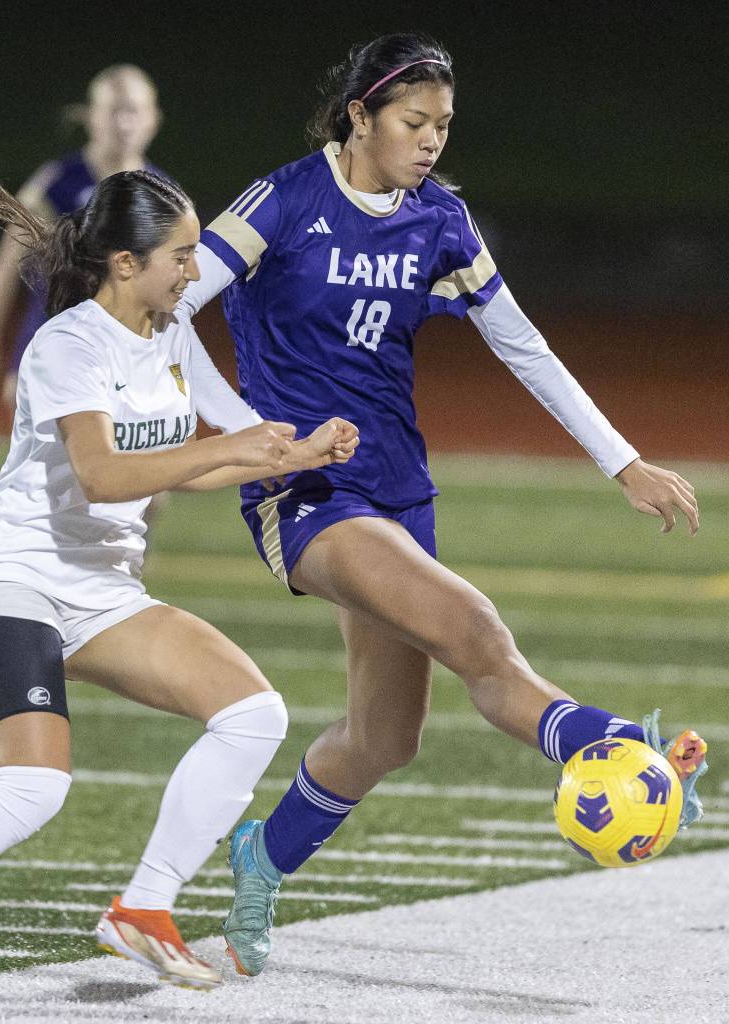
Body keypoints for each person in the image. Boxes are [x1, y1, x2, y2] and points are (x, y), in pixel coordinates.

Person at [176, 31, 708, 977]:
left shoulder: (440, 222)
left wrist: (623, 462)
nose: (430, 142)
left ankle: (264, 856)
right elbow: (170, 310)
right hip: (305, 493)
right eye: (414, 123)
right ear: (360, 117)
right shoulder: (285, 200)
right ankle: (620, 747)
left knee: (388, 736)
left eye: (444, 126)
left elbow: (524, 345)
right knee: (472, 626)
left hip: (398, 487)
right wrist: (252, 438)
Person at [0, 170, 359, 1003]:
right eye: (180, 256)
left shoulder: (171, 332)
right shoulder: (69, 343)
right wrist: (228, 453)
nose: (194, 272)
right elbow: (104, 476)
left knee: (254, 713)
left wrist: (304, 449)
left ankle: (145, 906)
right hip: (17, 577)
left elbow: (238, 436)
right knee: (34, 786)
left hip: (104, 587)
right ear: (123, 261)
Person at [0, 64, 167, 409]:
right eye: (114, 111)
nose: (124, 123)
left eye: (134, 111)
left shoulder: (164, 193)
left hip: (125, 351)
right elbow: (6, 265)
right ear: (91, 116)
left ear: (153, 118)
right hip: (50, 338)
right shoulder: (57, 183)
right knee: (44, 455)